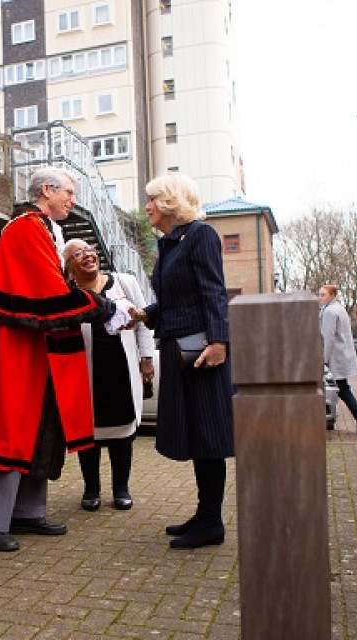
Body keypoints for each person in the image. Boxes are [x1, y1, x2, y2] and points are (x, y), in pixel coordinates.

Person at [0, 167, 116, 552]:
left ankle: (27, 513)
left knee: (38, 429)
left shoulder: (39, 229)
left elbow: (48, 289)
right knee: (10, 431)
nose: (73, 200)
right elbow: (48, 291)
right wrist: (97, 303)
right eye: (69, 192)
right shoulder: (28, 228)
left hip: (31, 351)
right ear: (47, 190)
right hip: (16, 352)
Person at [128, 173, 233, 549]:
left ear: (171, 201)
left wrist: (220, 341)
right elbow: (176, 299)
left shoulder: (201, 234)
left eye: (152, 199)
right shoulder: (171, 243)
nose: (147, 207)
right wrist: (145, 314)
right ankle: (205, 515)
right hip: (178, 347)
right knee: (194, 432)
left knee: (206, 433)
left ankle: (212, 523)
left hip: (201, 352)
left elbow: (213, 292)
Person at [62, 238, 154, 512]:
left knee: (123, 428)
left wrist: (146, 358)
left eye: (90, 250)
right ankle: (91, 489)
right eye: (78, 254)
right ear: (69, 268)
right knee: (88, 430)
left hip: (121, 368)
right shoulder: (68, 294)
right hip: (85, 370)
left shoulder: (125, 282)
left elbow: (143, 323)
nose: (88, 255)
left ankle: (121, 488)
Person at [318, 284, 357, 434]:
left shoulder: (330, 312)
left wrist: (323, 360)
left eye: (323, 295)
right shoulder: (338, 309)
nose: (320, 298)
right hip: (341, 355)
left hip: (335, 357)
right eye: (319, 294)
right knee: (341, 388)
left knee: (339, 389)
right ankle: (356, 417)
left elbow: (327, 337)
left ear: (332, 295)